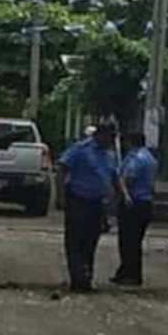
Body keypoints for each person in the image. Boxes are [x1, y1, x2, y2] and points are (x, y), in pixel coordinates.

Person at [59, 121, 131, 293]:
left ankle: (87, 277)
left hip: (97, 204)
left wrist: (124, 195)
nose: (111, 141)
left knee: (91, 242)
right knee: (75, 241)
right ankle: (77, 278)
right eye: (109, 137)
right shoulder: (81, 149)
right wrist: (61, 196)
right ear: (100, 134)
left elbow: (115, 176)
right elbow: (62, 168)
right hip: (78, 200)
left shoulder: (110, 154)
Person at [111, 132, 158, 287]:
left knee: (128, 241)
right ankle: (130, 272)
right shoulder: (150, 158)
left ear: (130, 142)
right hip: (146, 202)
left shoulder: (135, 158)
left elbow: (127, 179)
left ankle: (129, 273)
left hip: (133, 202)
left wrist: (122, 196)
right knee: (136, 240)